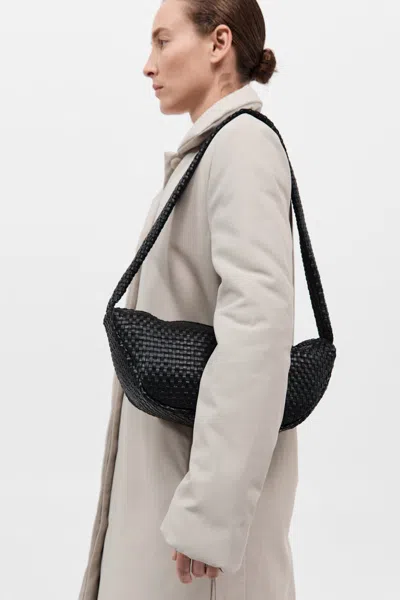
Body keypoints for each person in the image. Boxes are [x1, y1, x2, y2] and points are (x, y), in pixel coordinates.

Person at [78, 0, 298, 598]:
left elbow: (257, 329)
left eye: (162, 41)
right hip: (175, 507)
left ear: (218, 43)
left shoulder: (241, 147)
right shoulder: (211, 151)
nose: (148, 65)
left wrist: (209, 513)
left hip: (194, 544)